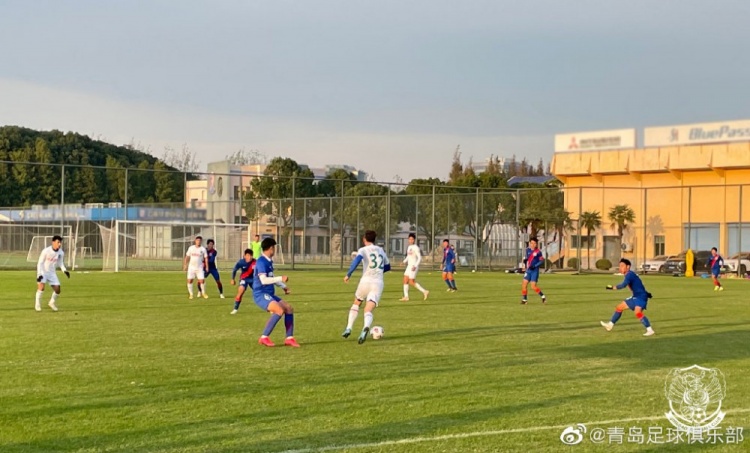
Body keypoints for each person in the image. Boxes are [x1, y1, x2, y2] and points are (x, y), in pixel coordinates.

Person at [343, 230, 391, 344]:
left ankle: (349, 327)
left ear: (364, 239)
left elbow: (356, 261)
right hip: (378, 283)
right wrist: (378, 272)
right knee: (368, 309)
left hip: (365, 281)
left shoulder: (363, 250)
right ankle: (365, 328)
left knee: (357, 302)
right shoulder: (380, 250)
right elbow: (388, 266)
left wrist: (348, 274)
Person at [253, 238, 299, 347]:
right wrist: (281, 278)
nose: (275, 250)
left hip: (269, 294)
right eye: (274, 247)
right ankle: (264, 337)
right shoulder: (261, 262)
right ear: (270, 248)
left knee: (288, 308)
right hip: (260, 294)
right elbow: (264, 280)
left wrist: (283, 287)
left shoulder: (268, 261)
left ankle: (289, 338)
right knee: (279, 310)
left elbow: (271, 277)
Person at [600, 258, 655, 337]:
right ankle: (610, 325)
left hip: (640, 297)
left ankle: (650, 330)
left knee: (638, 313)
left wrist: (612, 287)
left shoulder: (629, 275)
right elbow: (639, 285)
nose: (620, 268)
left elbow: (623, 285)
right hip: (637, 296)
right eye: (619, 266)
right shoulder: (630, 274)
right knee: (619, 307)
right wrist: (647, 293)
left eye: (622, 266)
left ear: (628, 266)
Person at [35, 235, 70, 312]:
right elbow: (40, 263)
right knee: (41, 288)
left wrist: (65, 270)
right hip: (43, 271)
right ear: (53, 242)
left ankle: (52, 302)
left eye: (60, 242)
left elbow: (60, 263)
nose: (59, 244)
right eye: (58, 242)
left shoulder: (61, 253)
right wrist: (39, 274)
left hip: (52, 273)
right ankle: (37, 304)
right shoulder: (46, 251)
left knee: (58, 289)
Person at [401, 233, 429, 301]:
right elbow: (408, 256)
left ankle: (425, 291)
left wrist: (415, 266)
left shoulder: (416, 247)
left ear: (414, 240)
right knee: (405, 280)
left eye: (412, 239)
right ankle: (406, 297)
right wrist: (404, 261)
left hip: (413, 266)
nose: (410, 240)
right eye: (409, 239)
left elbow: (419, 258)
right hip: (409, 266)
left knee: (411, 282)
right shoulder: (409, 247)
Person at [230, 249, 256, 314]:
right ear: (244, 256)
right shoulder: (241, 262)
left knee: (259, 292)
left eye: (250, 256)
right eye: (247, 255)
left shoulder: (255, 262)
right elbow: (234, 270)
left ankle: (269, 307)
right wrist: (232, 279)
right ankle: (235, 309)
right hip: (244, 279)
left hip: (253, 279)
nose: (249, 257)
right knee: (240, 291)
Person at [521, 238, 546, 304]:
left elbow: (541, 261)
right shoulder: (527, 250)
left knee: (533, 286)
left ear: (536, 244)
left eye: (534, 243)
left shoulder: (538, 252)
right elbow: (527, 258)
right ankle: (524, 300)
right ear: (529, 243)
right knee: (524, 284)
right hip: (528, 270)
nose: (533, 245)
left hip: (534, 271)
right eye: (531, 243)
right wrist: (525, 261)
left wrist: (535, 266)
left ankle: (543, 296)